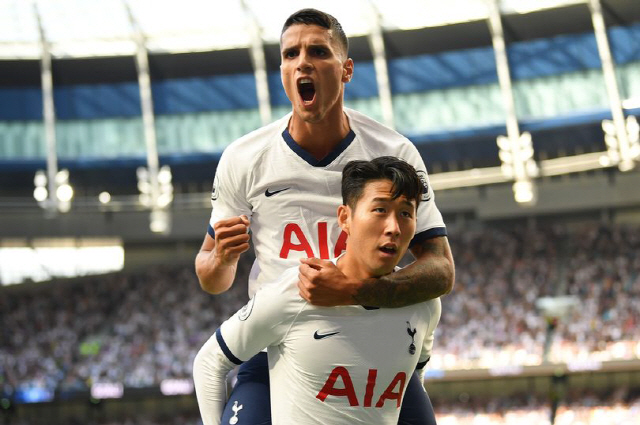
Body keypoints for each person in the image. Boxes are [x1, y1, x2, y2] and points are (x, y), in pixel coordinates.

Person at [194, 8, 455, 424]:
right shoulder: (244, 158)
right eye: (291, 54)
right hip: (275, 344)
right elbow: (211, 277)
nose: (303, 63)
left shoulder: (394, 153)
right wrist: (223, 259)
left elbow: (441, 269)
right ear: (282, 70)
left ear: (346, 69)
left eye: (318, 51)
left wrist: (354, 291)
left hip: (376, 336)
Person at [194, 157, 442, 425]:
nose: (393, 228)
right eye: (380, 210)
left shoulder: (423, 303)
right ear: (345, 218)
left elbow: (414, 373)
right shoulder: (299, 290)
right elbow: (210, 362)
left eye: (406, 213)